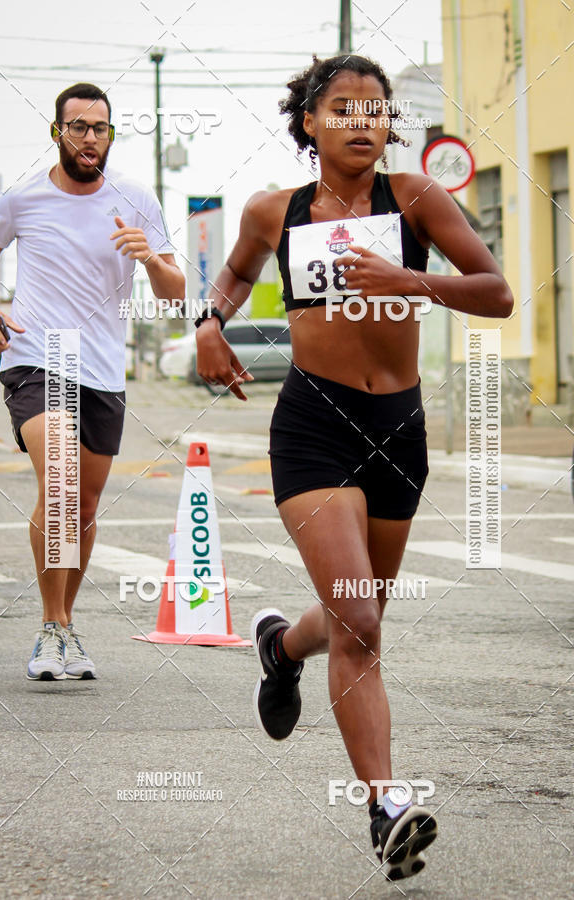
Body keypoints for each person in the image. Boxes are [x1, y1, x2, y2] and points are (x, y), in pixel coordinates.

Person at [195, 54, 513, 880]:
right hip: (315, 428)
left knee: (354, 617)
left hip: (397, 428)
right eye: (344, 110)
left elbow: (497, 290)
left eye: (376, 110)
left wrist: (412, 280)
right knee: (363, 624)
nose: (363, 123)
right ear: (311, 123)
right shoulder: (275, 211)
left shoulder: (417, 199)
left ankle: (279, 649)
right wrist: (207, 324)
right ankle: (386, 806)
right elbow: (232, 276)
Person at [0, 82, 184, 682]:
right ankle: (47, 626)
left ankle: (65, 624)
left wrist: (151, 259)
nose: (90, 138)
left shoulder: (136, 199)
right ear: (57, 132)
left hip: (101, 369)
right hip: (36, 356)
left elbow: (175, 298)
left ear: (111, 135)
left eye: (100, 128)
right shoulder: (22, 198)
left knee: (84, 507)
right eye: (79, 127)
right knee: (61, 479)